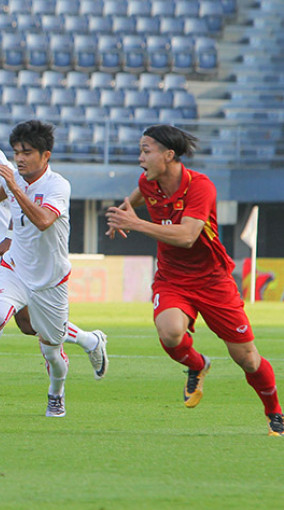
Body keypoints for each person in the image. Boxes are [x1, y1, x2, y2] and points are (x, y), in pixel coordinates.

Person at [0, 94, 108, 404]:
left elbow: (18, 184)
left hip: (14, 247)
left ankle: (90, 340)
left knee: (29, 326)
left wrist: (13, 234)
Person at [105, 124, 283, 436]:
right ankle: (198, 364)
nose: (140, 158)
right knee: (171, 333)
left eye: (146, 151)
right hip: (172, 279)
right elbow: (138, 193)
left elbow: (187, 236)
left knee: (248, 359)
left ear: (168, 154)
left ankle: (275, 414)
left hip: (213, 280)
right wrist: (124, 212)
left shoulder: (200, 187)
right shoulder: (149, 182)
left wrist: (136, 223)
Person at [0, 120, 75, 417]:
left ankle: (56, 393)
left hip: (50, 278)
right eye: (16, 152)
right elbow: (6, 190)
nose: (19, 158)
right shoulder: (16, 179)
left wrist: (13, 187)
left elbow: (43, 221)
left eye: (27, 152)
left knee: (52, 350)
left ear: (45, 156)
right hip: (16, 266)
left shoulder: (57, 186)